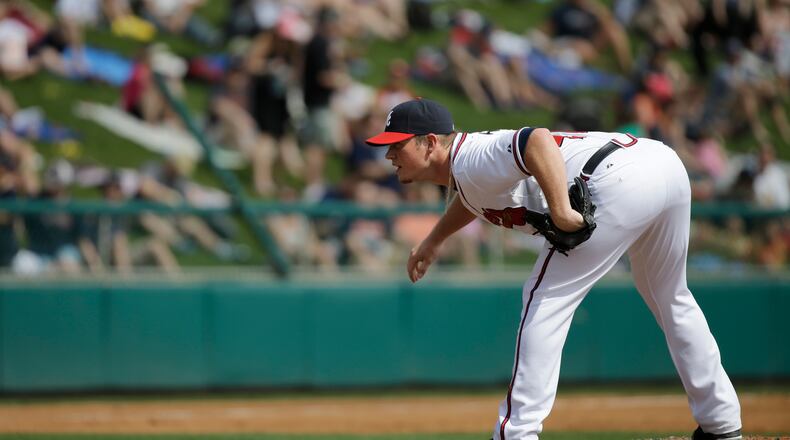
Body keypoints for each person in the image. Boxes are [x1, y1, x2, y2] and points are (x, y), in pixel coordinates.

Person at [365, 98, 742, 440]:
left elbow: (536, 140)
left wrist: (560, 210)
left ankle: (517, 433)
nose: (389, 155)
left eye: (397, 145)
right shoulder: (468, 169)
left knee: (543, 300)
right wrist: (434, 240)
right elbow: (475, 196)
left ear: (430, 142)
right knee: (670, 295)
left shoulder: (471, 157)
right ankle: (721, 422)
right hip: (663, 168)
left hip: (616, 178)